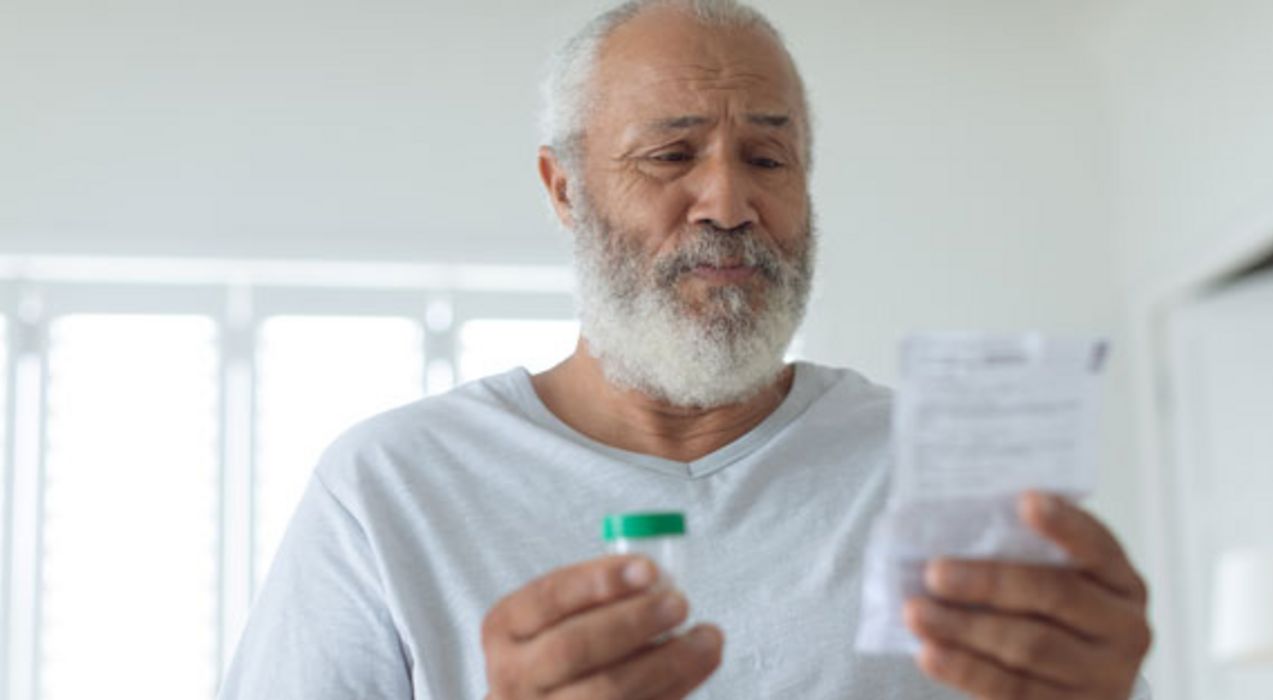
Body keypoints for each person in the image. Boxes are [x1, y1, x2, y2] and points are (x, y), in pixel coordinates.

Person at [218, 1, 1152, 698]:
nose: (728, 205)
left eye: (768, 159)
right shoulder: (390, 488)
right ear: (564, 189)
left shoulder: (942, 474)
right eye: (670, 156)